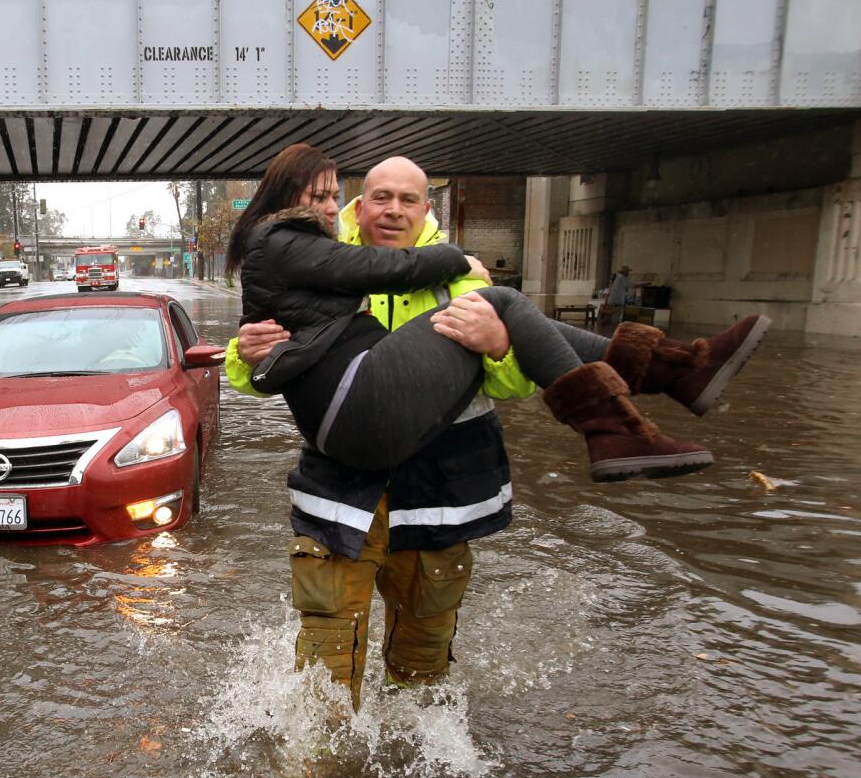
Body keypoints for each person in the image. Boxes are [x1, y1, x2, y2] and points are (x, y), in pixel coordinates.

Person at [225, 144, 769, 708]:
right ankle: (316, 773)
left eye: (408, 200)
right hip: (345, 490)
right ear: (356, 209)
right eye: (379, 198)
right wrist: (246, 350)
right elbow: (253, 369)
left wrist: (501, 346)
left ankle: (412, 754)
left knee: (422, 658)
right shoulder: (323, 259)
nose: (393, 210)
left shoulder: (461, 285)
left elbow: (514, 385)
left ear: (426, 209)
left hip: (438, 490)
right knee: (326, 653)